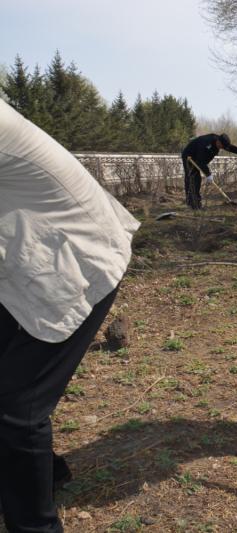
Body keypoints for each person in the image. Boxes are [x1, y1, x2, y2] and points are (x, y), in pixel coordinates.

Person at [0, 99, 140, 532]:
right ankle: (42, 475)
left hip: (76, 256)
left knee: (16, 405)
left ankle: (34, 525)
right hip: (31, 252)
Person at [181, 132, 237, 209]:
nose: (222, 148)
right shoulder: (206, 143)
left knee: (197, 179)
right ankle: (193, 203)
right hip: (189, 156)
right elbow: (200, 161)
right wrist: (208, 174)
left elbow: (229, 147)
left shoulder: (220, 141)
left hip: (199, 158)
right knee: (193, 179)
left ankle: (195, 202)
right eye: (222, 146)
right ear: (218, 142)